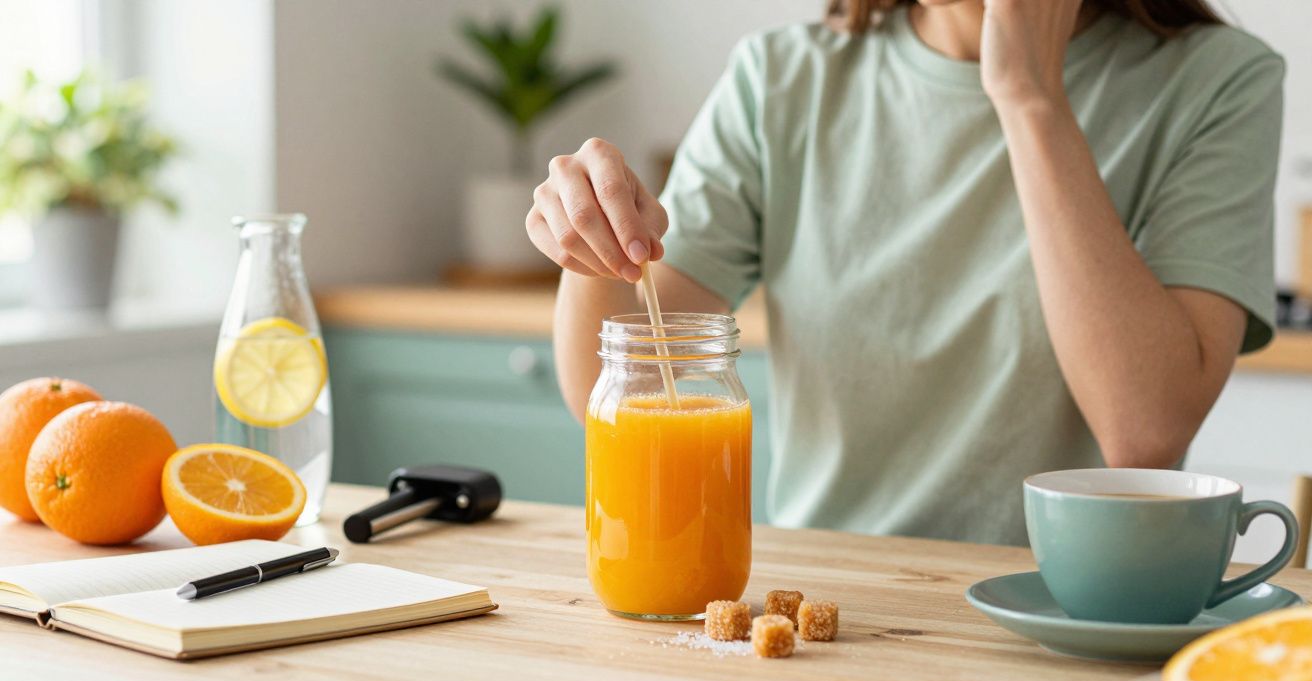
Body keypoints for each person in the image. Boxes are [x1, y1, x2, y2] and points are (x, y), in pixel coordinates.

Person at [524, 0, 1284, 545]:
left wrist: (1029, 96)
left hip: (1078, 616)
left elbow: (1145, 430)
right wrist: (591, 239)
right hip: (836, 605)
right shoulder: (781, 79)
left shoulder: (1217, 80)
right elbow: (622, 379)